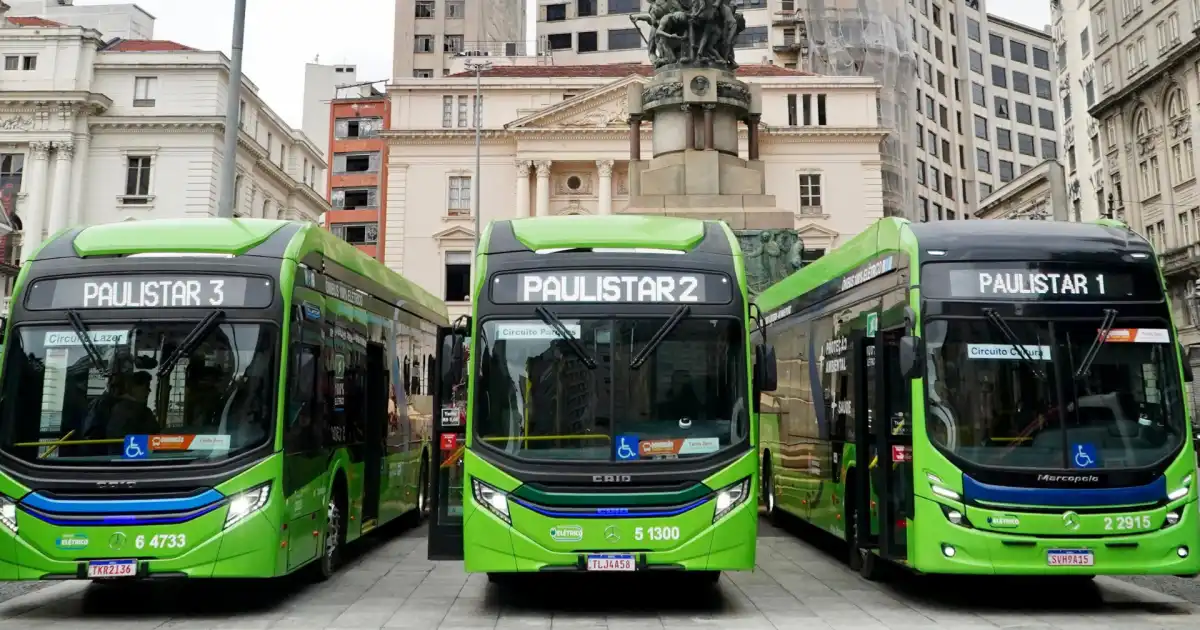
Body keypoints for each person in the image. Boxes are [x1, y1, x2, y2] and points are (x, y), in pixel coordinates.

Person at [105, 371, 159, 438]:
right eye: (146, 386)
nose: (149, 391)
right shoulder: (125, 409)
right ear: (134, 388)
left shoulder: (140, 409)